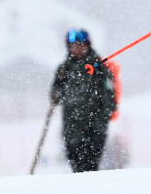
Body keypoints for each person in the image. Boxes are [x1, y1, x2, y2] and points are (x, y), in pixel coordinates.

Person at [49, 29, 117, 173]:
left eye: (81, 45)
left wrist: (99, 124)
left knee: (90, 168)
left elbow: (110, 101)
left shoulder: (100, 69)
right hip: (72, 131)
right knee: (76, 169)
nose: (78, 49)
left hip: (94, 130)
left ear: (87, 46)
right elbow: (55, 96)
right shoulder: (64, 69)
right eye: (74, 46)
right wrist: (57, 94)